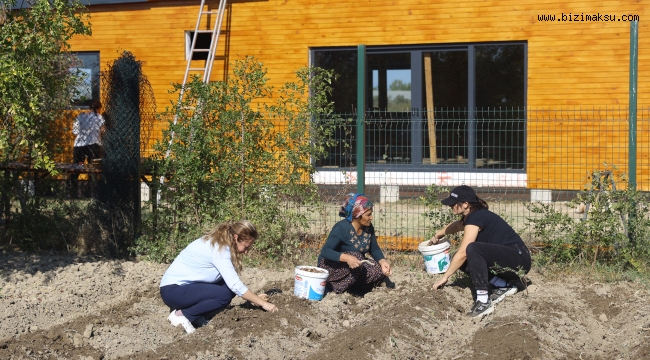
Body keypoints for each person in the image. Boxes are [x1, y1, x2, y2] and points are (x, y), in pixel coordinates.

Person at [159, 220, 278, 334]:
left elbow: (232, 283)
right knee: (224, 295)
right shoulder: (220, 249)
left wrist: (253, 299)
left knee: (227, 289)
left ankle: (197, 315)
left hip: (183, 289)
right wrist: (263, 303)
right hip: (173, 291)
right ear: (236, 237)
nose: (246, 252)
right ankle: (183, 315)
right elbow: (235, 285)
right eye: (245, 246)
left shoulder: (221, 242)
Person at [431, 185, 531, 318]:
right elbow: (456, 226)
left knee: (471, 249)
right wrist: (438, 235)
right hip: (514, 258)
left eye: (454, 203)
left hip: (518, 257)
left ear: (465, 204)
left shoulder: (475, 217)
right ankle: (504, 285)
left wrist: (445, 276)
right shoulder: (472, 216)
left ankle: (483, 302)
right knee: (464, 259)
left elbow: (464, 252)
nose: (451, 206)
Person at [318, 193, 392, 294]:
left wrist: (383, 263)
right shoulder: (342, 228)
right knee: (358, 257)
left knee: (378, 269)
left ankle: (353, 287)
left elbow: (374, 248)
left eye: (371, 214)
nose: (371, 218)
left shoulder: (368, 228)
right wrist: (347, 258)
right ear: (357, 215)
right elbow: (325, 251)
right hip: (331, 267)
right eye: (368, 215)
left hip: (354, 266)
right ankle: (333, 289)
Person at [72, 100, 105, 164]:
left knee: (78, 167)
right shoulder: (99, 117)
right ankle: (92, 173)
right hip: (93, 145)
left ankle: (77, 169)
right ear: (98, 108)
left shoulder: (80, 116)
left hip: (79, 145)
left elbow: (75, 132)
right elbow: (103, 130)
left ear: (89, 108)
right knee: (94, 167)